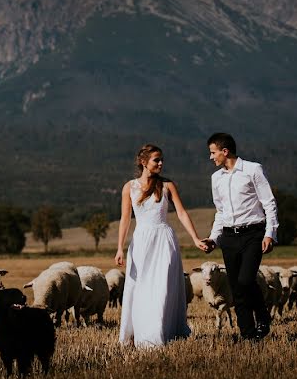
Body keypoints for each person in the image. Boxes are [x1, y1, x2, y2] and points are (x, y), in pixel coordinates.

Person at [115, 144, 210, 347]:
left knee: (163, 288)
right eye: (156, 160)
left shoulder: (167, 186)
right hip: (141, 241)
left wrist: (194, 238)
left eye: (161, 159)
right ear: (144, 162)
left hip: (164, 241)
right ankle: (138, 334)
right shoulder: (129, 187)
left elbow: (182, 213)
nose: (161, 163)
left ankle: (159, 334)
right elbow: (125, 219)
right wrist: (119, 248)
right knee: (140, 289)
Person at [202, 132, 279, 342]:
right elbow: (220, 212)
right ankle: (248, 334)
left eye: (213, 152)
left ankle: (262, 315)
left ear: (225, 151)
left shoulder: (253, 170)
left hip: (253, 234)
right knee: (236, 289)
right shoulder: (216, 178)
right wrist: (213, 238)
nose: (211, 157)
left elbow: (269, 203)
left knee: (246, 280)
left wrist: (270, 233)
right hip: (228, 236)